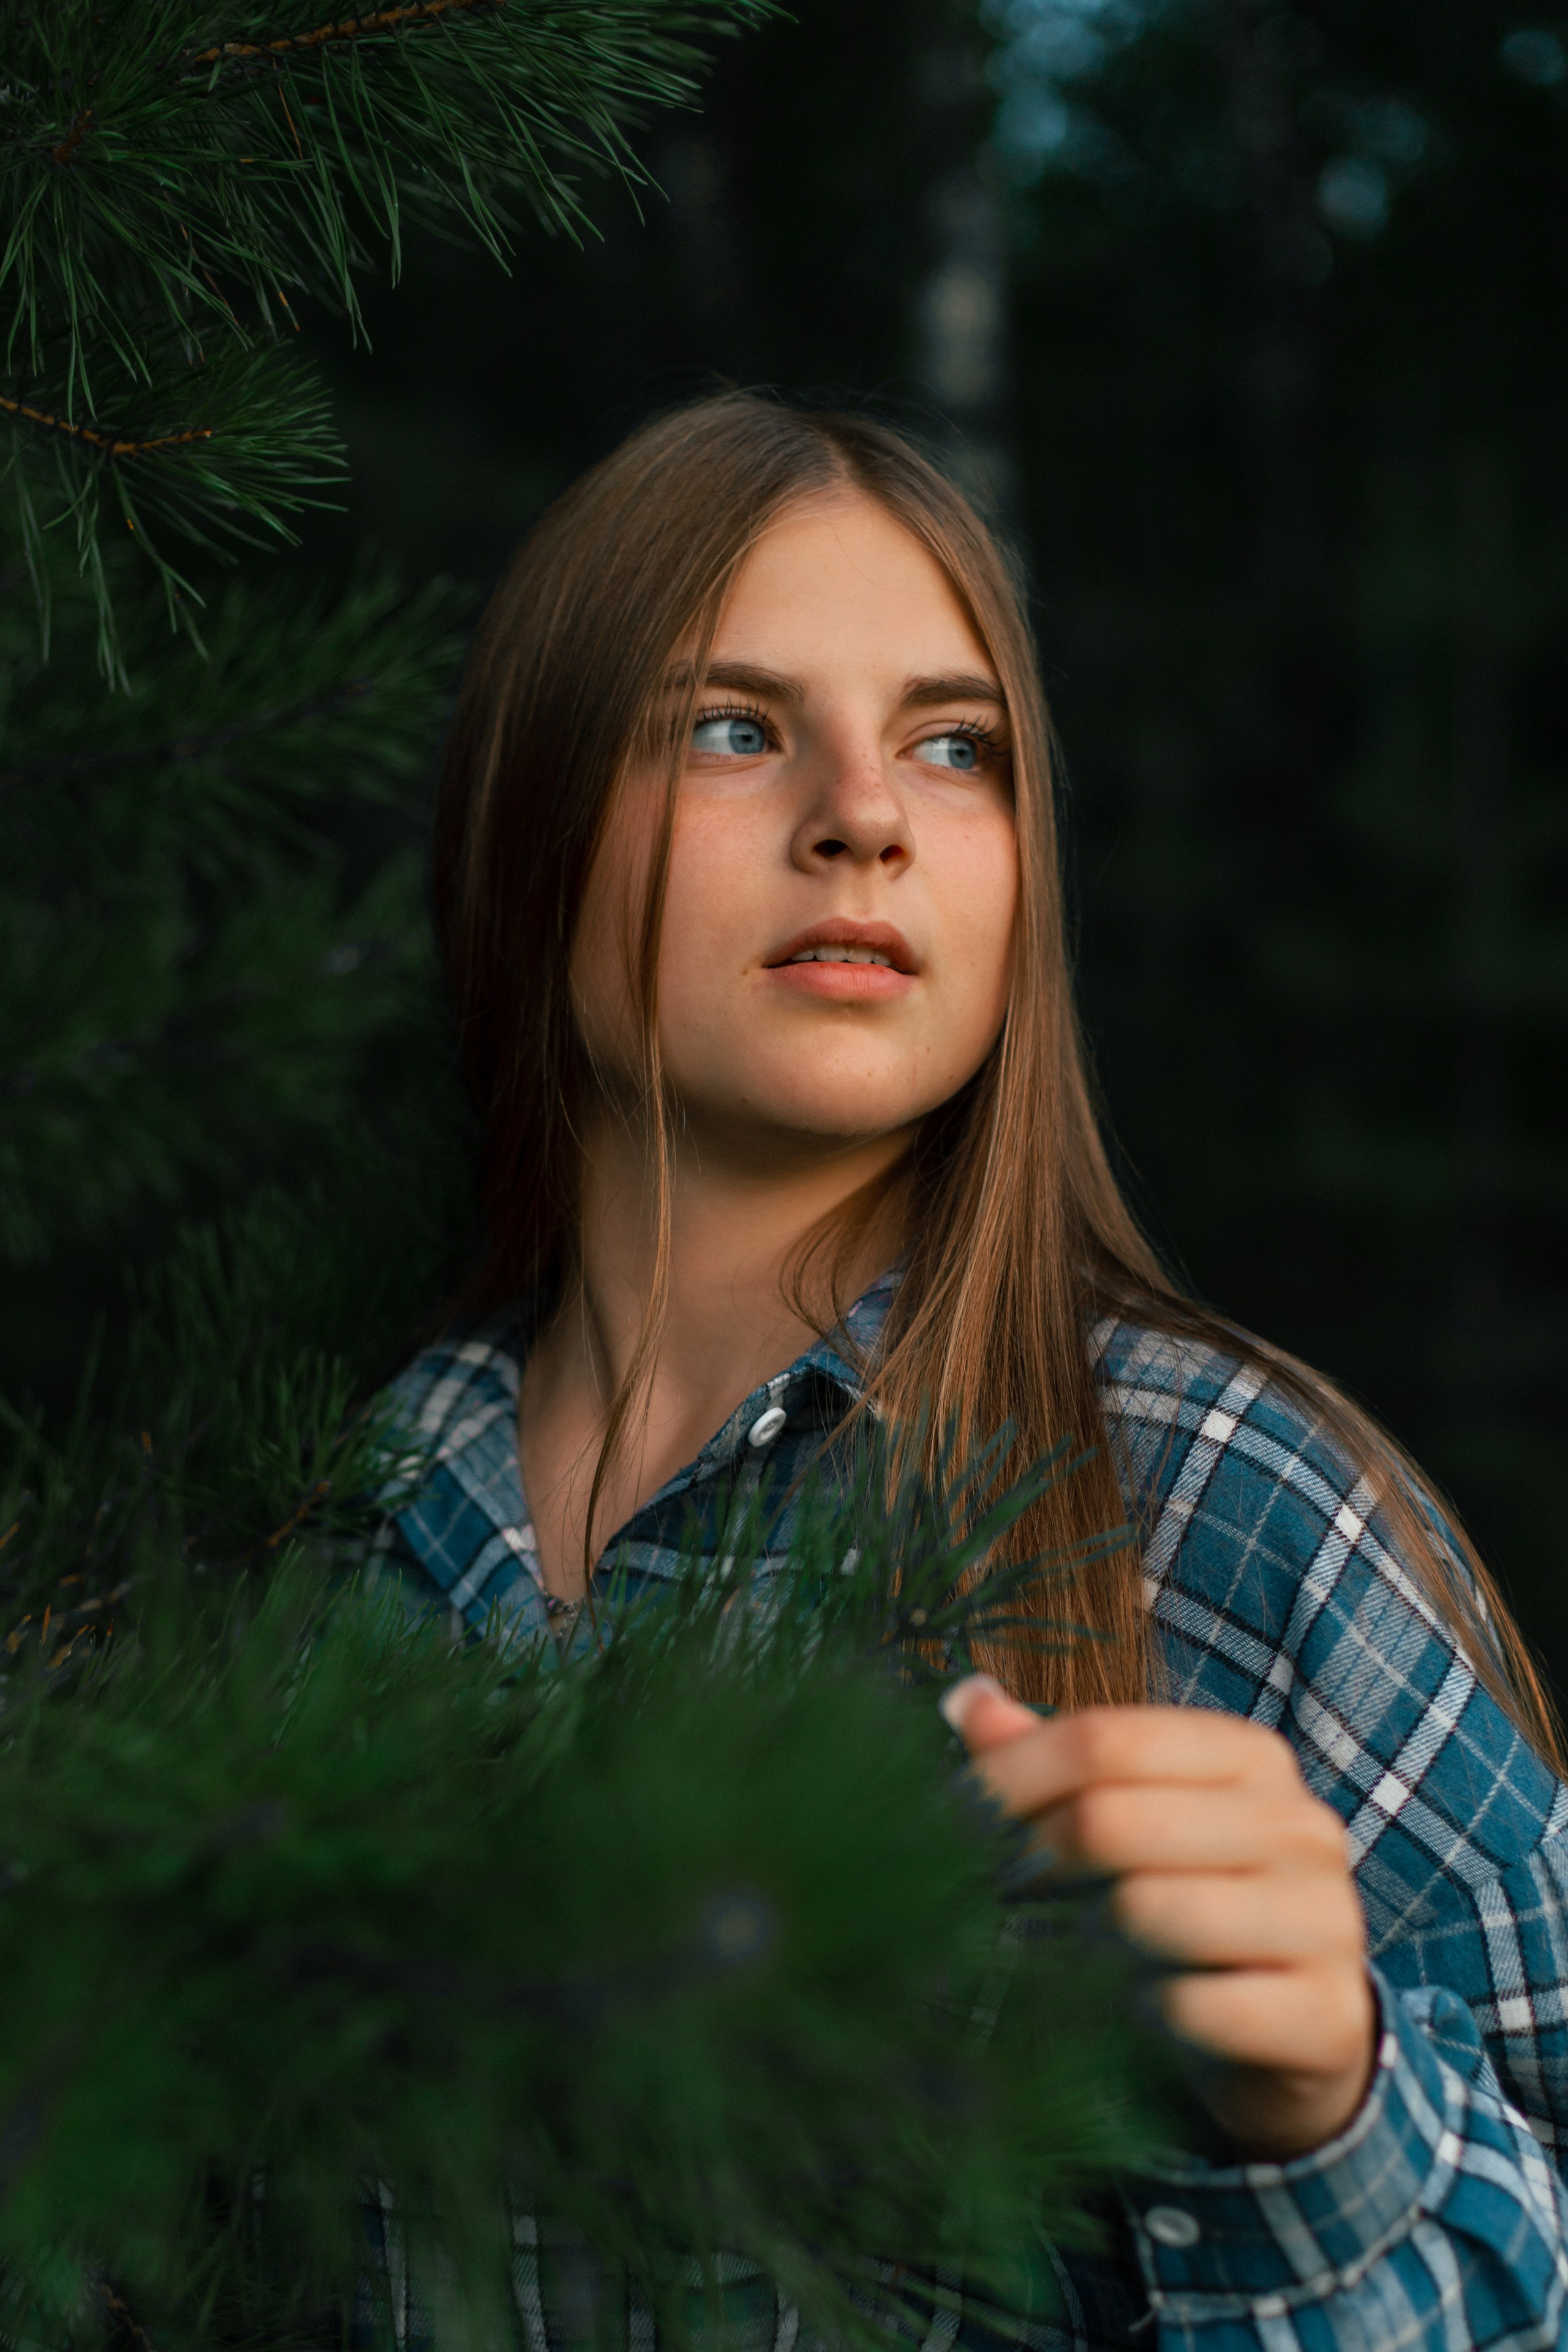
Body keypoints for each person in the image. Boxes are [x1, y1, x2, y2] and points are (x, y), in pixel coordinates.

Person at [372, 392, 1568, 2351]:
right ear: (531, 816)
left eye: (957, 745)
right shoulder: (333, 1516)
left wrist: (1330, 2114)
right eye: (734, 729)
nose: (868, 812)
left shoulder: (1212, 1504)